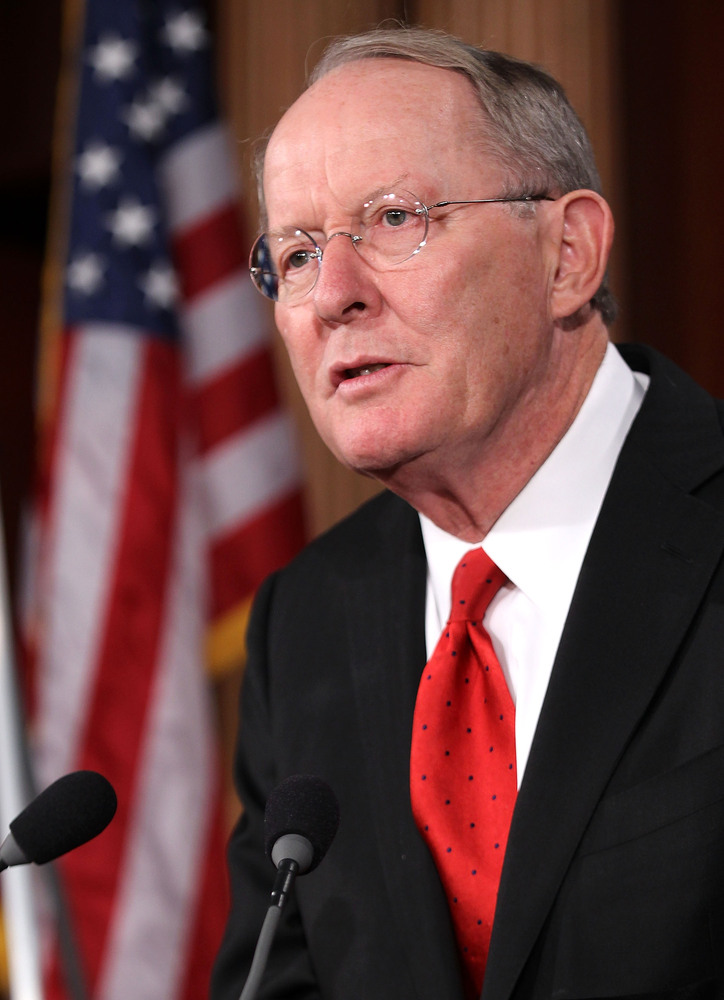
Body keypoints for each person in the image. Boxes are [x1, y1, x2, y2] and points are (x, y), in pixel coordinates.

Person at [211, 26, 724, 1000]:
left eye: (394, 218)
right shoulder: (303, 621)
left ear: (566, 255)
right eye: (297, 253)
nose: (332, 297)